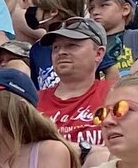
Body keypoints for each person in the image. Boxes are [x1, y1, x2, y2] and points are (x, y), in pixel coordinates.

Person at [37, 18, 117, 153]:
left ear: (98, 53)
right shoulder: (33, 101)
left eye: (72, 45)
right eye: (56, 47)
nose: (61, 52)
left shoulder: (116, 94)